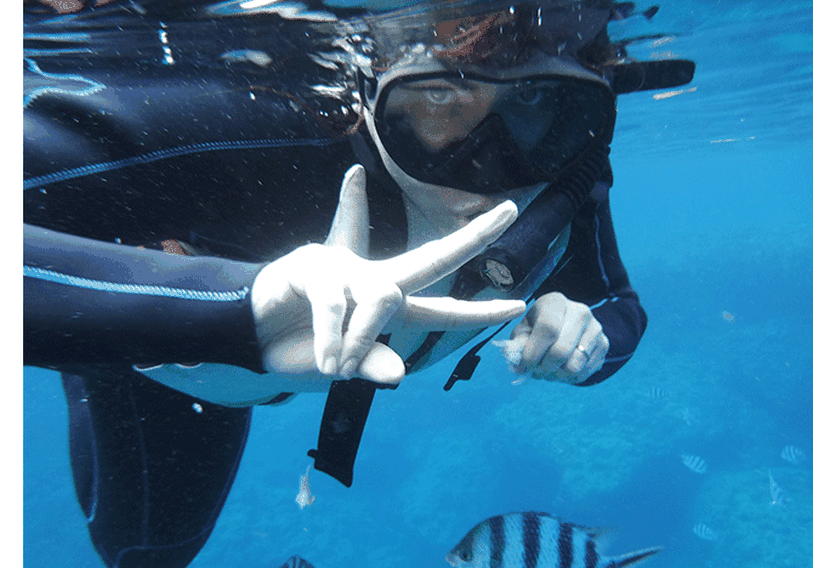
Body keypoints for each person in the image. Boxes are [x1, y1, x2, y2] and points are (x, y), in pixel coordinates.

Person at [23, 0, 695, 566]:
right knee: (145, 549)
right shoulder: (263, 131)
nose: (489, 158)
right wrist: (224, 310)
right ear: (376, 93)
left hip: (251, 368)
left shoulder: (568, 176)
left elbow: (618, 307)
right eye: (441, 99)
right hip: (175, 357)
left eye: (540, 109)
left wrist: (588, 337)